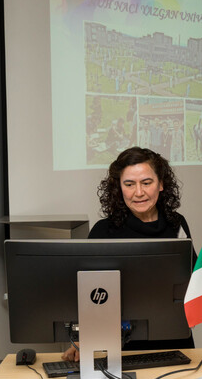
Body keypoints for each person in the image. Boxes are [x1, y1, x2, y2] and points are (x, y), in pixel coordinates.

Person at [62, 147, 194, 362]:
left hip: (174, 338)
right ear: (119, 188)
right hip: (118, 346)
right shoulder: (103, 231)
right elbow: (87, 294)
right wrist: (80, 339)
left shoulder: (177, 223)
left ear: (161, 184)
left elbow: (191, 278)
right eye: (129, 184)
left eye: (146, 183)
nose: (138, 192)